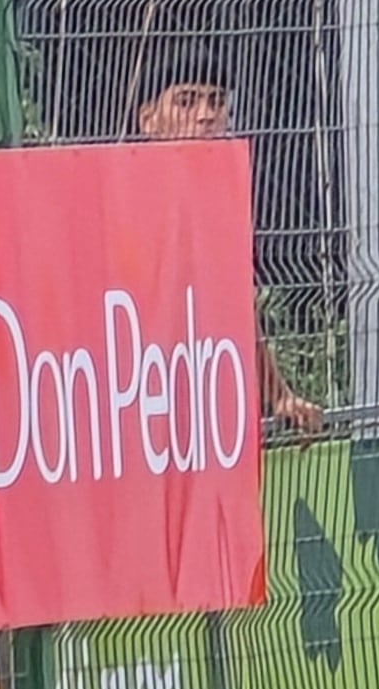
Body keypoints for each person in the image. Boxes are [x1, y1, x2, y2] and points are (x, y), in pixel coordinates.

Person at [131, 48, 323, 438]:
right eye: (186, 101)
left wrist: (280, 396)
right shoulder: (123, 192)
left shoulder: (219, 198)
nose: (206, 115)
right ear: (148, 119)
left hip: (199, 407)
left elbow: (234, 306)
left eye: (217, 102)